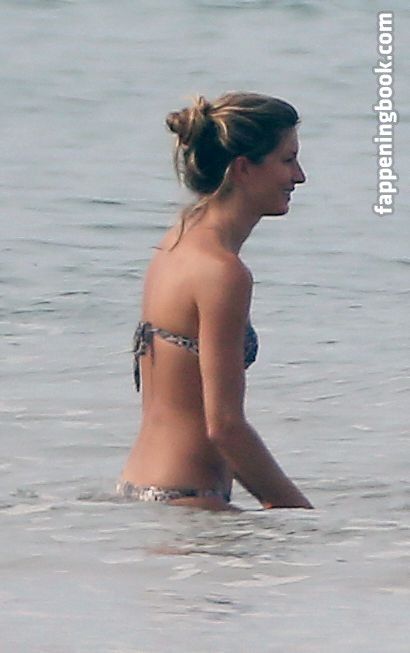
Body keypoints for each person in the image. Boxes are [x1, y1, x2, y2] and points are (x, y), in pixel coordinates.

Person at [117, 91, 313, 511]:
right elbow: (225, 427)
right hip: (191, 501)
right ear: (243, 168)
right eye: (288, 160)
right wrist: (303, 519)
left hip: (142, 490)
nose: (299, 177)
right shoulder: (223, 273)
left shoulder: (176, 242)